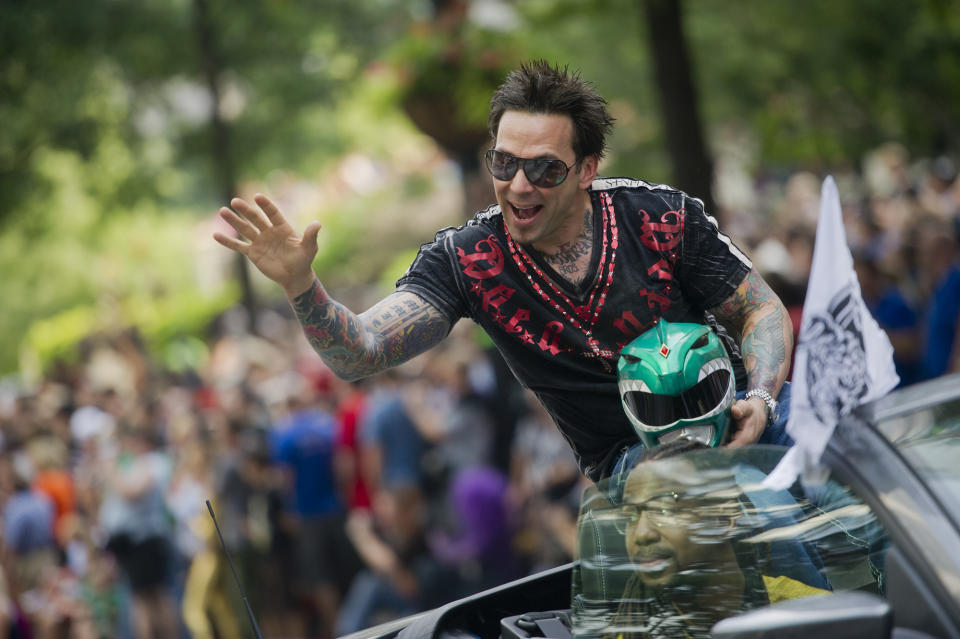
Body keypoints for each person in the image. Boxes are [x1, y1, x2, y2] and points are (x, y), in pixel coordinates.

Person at [213, 60, 794, 482]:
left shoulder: (659, 215)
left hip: (737, 414)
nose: (518, 185)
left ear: (587, 167)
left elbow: (760, 309)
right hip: (634, 468)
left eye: (544, 168)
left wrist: (761, 401)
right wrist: (300, 286)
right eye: (504, 162)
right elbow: (358, 353)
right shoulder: (465, 261)